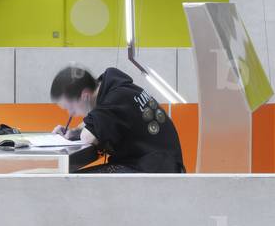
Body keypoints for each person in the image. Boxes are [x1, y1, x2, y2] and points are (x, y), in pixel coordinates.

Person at [50, 65, 185, 174]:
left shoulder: (115, 100)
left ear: (85, 96)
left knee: (71, 184)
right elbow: (91, 124)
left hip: (154, 170)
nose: (71, 113)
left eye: (69, 107)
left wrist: (76, 133)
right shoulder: (115, 89)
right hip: (157, 164)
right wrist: (72, 132)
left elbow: (88, 137)